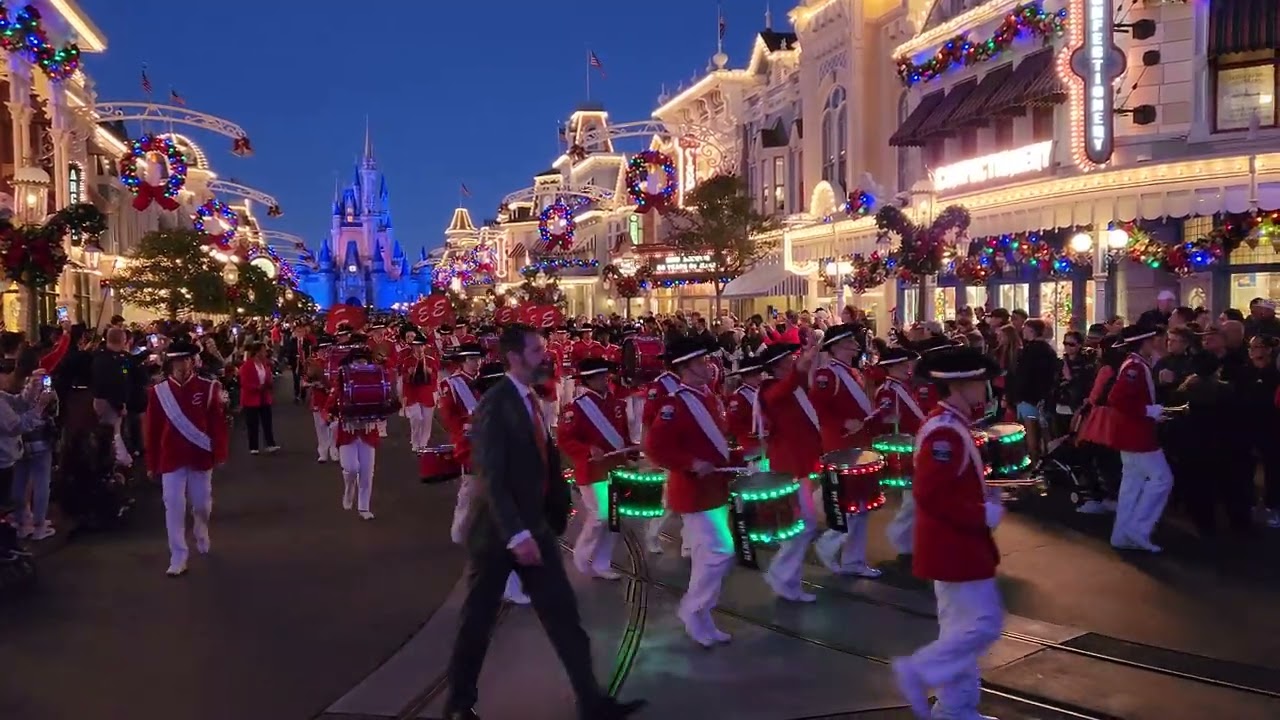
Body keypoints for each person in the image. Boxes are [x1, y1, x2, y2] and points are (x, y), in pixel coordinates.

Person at [443, 324, 646, 720]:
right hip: (498, 534)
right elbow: (492, 476)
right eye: (537, 351)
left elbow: (545, 458)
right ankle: (458, 703)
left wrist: (551, 513)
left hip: (533, 527)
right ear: (515, 357)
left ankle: (592, 702)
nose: (546, 357)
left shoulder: (528, 399)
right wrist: (516, 532)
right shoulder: (496, 404)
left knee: (564, 616)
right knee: (478, 622)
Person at [892, 347, 1006, 720]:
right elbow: (930, 495)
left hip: (955, 545)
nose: (986, 390)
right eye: (980, 382)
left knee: (960, 630)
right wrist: (983, 513)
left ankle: (955, 709)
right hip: (954, 546)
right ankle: (920, 670)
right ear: (961, 385)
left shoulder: (950, 425)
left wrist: (983, 495)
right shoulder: (945, 432)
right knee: (982, 624)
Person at [644, 335, 737, 648]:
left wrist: (737, 458)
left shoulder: (708, 397)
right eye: (699, 362)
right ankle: (692, 608)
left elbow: (715, 441)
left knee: (705, 556)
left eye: (706, 360)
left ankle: (702, 615)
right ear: (685, 368)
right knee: (720, 551)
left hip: (715, 488)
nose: (707, 366)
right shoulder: (675, 403)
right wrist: (690, 463)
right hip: (693, 492)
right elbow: (655, 448)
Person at [144, 340, 229, 577]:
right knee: (173, 505)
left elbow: (217, 424)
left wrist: (219, 450)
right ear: (171, 364)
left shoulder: (208, 388)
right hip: (171, 457)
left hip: (200, 455)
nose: (184, 365)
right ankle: (178, 555)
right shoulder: (158, 393)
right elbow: (152, 430)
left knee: (201, 504)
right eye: (179, 361)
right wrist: (152, 463)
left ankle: (201, 530)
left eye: (188, 360)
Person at [808, 323, 882, 578]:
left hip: (858, 443)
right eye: (851, 341)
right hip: (841, 446)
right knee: (850, 504)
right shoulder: (828, 375)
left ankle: (854, 560)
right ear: (838, 345)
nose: (856, 345)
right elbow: (816, 408)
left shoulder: (852, 372)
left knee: (861, 506)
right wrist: (842, 424)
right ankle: (829, 543)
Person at [754, 342, 824, 603]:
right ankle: (782, 576)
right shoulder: (771, 389)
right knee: (802, 525)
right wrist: (801, 367)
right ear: (779, 364)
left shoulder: (793, 388)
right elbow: (784, 389)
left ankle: (787, 578)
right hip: (788, 467)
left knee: (801, 525)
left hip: (801, 464)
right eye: (789, 360)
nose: (793, 362)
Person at [558, 358, 629, 581]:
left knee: (614, 518)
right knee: (600, 515)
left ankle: (602, 562)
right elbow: (564, 439)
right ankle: (582, 554)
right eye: (598, 376)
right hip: (591, 471)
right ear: (588, 380)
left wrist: (632, 454)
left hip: (615, 467)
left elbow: (623, 435)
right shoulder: (576, 408)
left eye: (604, 375)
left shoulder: (617, 404)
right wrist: (588, 449)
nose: (603, 380)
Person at [1105, 325, 1173, 553]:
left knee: (1132, 484)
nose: (1158, 342)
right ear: (1145, 342)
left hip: (1131, 433)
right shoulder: (1135, 366)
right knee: (1162, 479)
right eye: (1154, 339)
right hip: (1138, 434)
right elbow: (1117, 398)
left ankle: (1122, 533)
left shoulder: (1136, 364)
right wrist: (1148, 411)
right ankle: (1138, 528)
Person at [324, 344, 393, 520]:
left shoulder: (376, 379)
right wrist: (334, 417)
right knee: (351, 468)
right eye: (357, 361)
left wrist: (379, 416)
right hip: (348, 433)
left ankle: (364, 507)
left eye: (364, 361)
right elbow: (330, 407)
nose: (361, 365)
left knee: (367, 472)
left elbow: (385, 402)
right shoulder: (342, 381)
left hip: (368, 432)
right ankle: (349, 489)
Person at [867, 347, 925, 555]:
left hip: (915, 441)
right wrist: (890, 420)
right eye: (903, 364)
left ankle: (906, 537)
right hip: (905, 445)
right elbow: (881, 417)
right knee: (913, 496)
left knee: (916, 496)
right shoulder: (888, 389)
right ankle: (900, 536)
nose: (908, 367)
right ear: (893, 366)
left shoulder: (904, 386)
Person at [238, 341, 279, 455]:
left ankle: (270, 444)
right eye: (263, 350)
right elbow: (244, 383)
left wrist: (269, 383)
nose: (265, 353)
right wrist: (256, 387)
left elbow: (268, 376)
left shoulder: (264, 364)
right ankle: (253, 446)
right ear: (257, 352)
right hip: (251, 398)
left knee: (267, 422)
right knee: (252, 423)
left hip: (264, 396)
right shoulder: (247, 366)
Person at [400, 331, 439, 451]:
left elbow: (435, 376)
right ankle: (415, 442)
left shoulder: (431, 360)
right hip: (412, 393)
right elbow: (404, 378)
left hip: (427, 393)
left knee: (427, 421)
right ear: (413, 347)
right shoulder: (407, 360)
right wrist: (409, 374)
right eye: (417, 346)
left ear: (425, 346)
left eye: (421, 345)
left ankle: (423, 443)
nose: (419, 348)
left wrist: (430, 372)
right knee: (416, 418)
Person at [305, 336, 338, 463]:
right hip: (319, 398)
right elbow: (305, 381)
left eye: (327, 348)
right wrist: (314, 384)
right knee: (321, 426)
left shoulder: (336, 362)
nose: (325, 351)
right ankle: (323, 452)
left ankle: (334, 450)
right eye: (322, 349)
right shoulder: (313, 363)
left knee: (335, 425)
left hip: (333, 397)